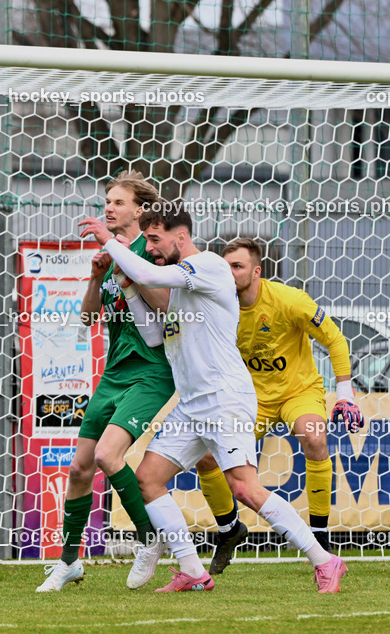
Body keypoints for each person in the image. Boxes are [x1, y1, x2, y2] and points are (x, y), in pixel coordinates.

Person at [78, 202, 348, 594]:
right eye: (148, 239)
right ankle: (192, 569)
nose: (150, 247)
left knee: (245, 489)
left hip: (224, 398)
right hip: (192, 403)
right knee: (149, 479)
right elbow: (155, 334)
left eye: (155, 239)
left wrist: (111, 243)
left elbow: (148, 270)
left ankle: (326, 561)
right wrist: (127, 286)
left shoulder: (208, 266)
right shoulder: (180, 283)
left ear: (180, 237)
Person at [37, 172, 176, 592]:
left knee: (107, 456)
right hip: (114, 371)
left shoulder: (151, 251)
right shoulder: (112, 256)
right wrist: (97, 277)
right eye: (107, 201)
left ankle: (149, 537)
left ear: (139, 209)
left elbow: (167, 307)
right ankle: (69, 562)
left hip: (152, 370)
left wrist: (121, 262)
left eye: (118, 202)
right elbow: (87, 319)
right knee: (79, 467)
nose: (109, 208)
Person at [200, 237, 363, 573]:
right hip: (249, 398)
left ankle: (319, 535)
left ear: (256, 271)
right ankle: (229, 530)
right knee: (204, 455)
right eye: (225, 266)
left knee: (314, 436)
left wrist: (345, 391)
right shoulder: (216, 307)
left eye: (237, 266)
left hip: (297, 392)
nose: (229, 274)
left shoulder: (289, 300)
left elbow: (334, 338)